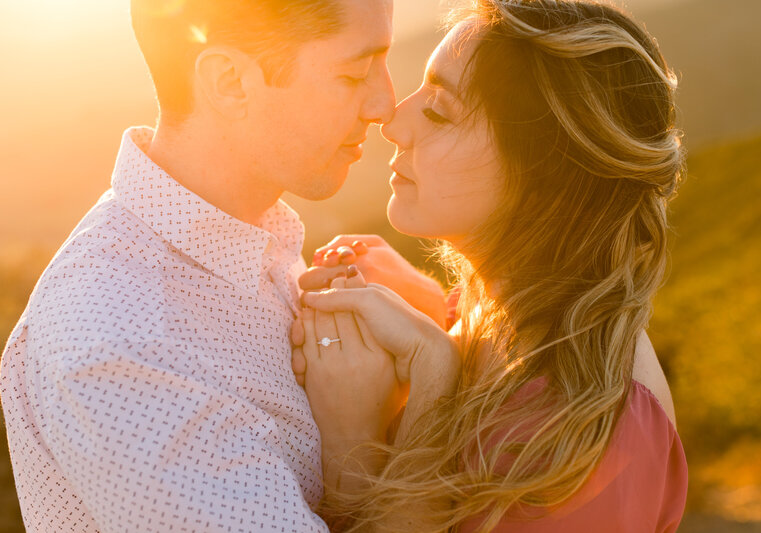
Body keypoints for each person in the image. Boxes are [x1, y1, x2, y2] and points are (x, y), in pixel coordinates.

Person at [0, 0, 437, 531]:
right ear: (229, 81)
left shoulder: (254, 240)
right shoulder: (118, 339)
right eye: (354, 72)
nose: (384, 105)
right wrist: (429, 385)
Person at [293, 0, 688, 531]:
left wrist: (353, 447)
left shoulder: (575, 443)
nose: (392, 120)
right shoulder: (509, 314)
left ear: (544, 177)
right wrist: (434, 309)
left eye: (437, 110)